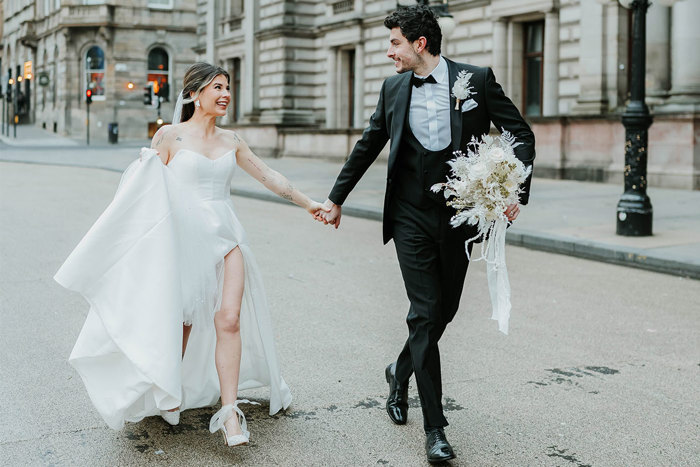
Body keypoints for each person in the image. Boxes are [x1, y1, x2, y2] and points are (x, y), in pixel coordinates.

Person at [55, 62, 327, 447]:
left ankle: (230, 414)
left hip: (227, 237)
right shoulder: (169, 137)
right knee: (178, 324)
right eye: (217, 87)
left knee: (228, 320)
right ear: (195, 93)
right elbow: (140, 195)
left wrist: (308, 203)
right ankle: (169, 390)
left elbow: (270, 177)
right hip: (182, 242)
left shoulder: (232, 140)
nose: (225, 94)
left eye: (228, 87)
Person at [316, 5, 535, 464]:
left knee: (445, 310)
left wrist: (514, 190)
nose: (388, 51)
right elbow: (369, 143)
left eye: (394, 42)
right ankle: (435, 429)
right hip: (410, 215)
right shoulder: (394, 87)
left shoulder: (475, 80)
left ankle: (399, 372)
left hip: (459, 217)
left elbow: (519, 134)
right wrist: (337, 198)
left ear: (419, 44)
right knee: (424, 311)